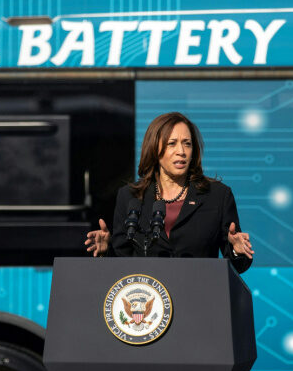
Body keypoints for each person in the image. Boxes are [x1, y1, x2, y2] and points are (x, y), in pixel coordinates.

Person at [85, 112, 253, 273]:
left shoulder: (217, 195)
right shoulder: (129, 197)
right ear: (154, 149)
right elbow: (122, 263)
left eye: (187, 143)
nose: (181, 151)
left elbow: (237, 267)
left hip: (200, 295)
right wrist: (105, 252)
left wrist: (237, 251)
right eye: (172, 143)